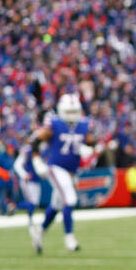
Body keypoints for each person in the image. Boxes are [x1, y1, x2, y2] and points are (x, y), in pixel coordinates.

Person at [30, 94, 93, 253]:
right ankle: (69, 238)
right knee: (70, 199)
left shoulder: (84, 124)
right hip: (56, 168)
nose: (72, 115)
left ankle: (40, 230)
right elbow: (35, 141)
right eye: (69, 112)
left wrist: (90, 149)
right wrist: (37, 161)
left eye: (75, 112)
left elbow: (92, 142)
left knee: (56, 205)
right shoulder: (54, 123)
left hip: (72, 171)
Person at [13, 143, 47, 229]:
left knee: (35, 203)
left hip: (36, 180)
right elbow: (17, 164)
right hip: (28, 180)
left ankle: (16, 208)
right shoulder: (27, 151)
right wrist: (24, 174)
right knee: (31, 202)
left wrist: (43, 173)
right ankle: (16, 208)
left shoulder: (43, 149)